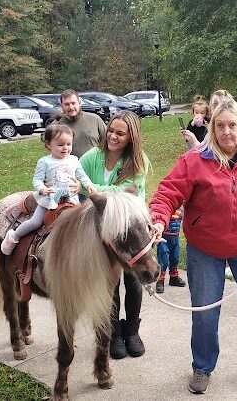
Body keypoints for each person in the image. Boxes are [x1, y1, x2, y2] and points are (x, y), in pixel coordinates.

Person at [149, 96, 237, 394]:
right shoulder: (193, 162)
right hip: (205, 250)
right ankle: (202, 367)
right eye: (220, 125)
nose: (227, 131)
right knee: (204, 311)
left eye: (232, 125)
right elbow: (168, 193)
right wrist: (158, 218)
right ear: (212, 128)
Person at [79, 110, 150, 360]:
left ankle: (132, 330)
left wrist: (95, 190)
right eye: (111, 130)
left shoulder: (139, 161)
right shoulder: (92, 157)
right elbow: (77, 179)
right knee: (108, 282)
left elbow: (128, 193)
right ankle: (115, 333)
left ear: (132, 137)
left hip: (129, 229)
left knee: (133, 280)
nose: (113, 136)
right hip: (101, 231)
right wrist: (102, 191)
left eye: (120, 133)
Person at [0, 124, 96, 255]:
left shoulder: (74, 160)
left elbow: (82, 176)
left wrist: (90, 185)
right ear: (49, 144)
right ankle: (14, 236)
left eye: (69, 144)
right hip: (49, 199)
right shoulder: (44, 162)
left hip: (71, 199)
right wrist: (42, 189)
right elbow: (37, 180)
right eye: (60, 144)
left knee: (82, 222)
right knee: (35, 222)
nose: (65, 148)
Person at [53, 88, 106, 158]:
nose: (71, 107)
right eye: (66, 104)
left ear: (79, 103)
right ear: (62, 106)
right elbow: (48, 143)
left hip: (94, 166)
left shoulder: (95, 119)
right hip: (68, 167)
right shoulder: (58, 125)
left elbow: (107, 141)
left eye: (73, 103)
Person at [155, 207, 186, 294]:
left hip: (175, 237)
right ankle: (160, 280)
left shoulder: (181, 209)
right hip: (164, 238)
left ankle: (174, 277)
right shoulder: (164, 207)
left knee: (175, 258)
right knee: (164, 259)